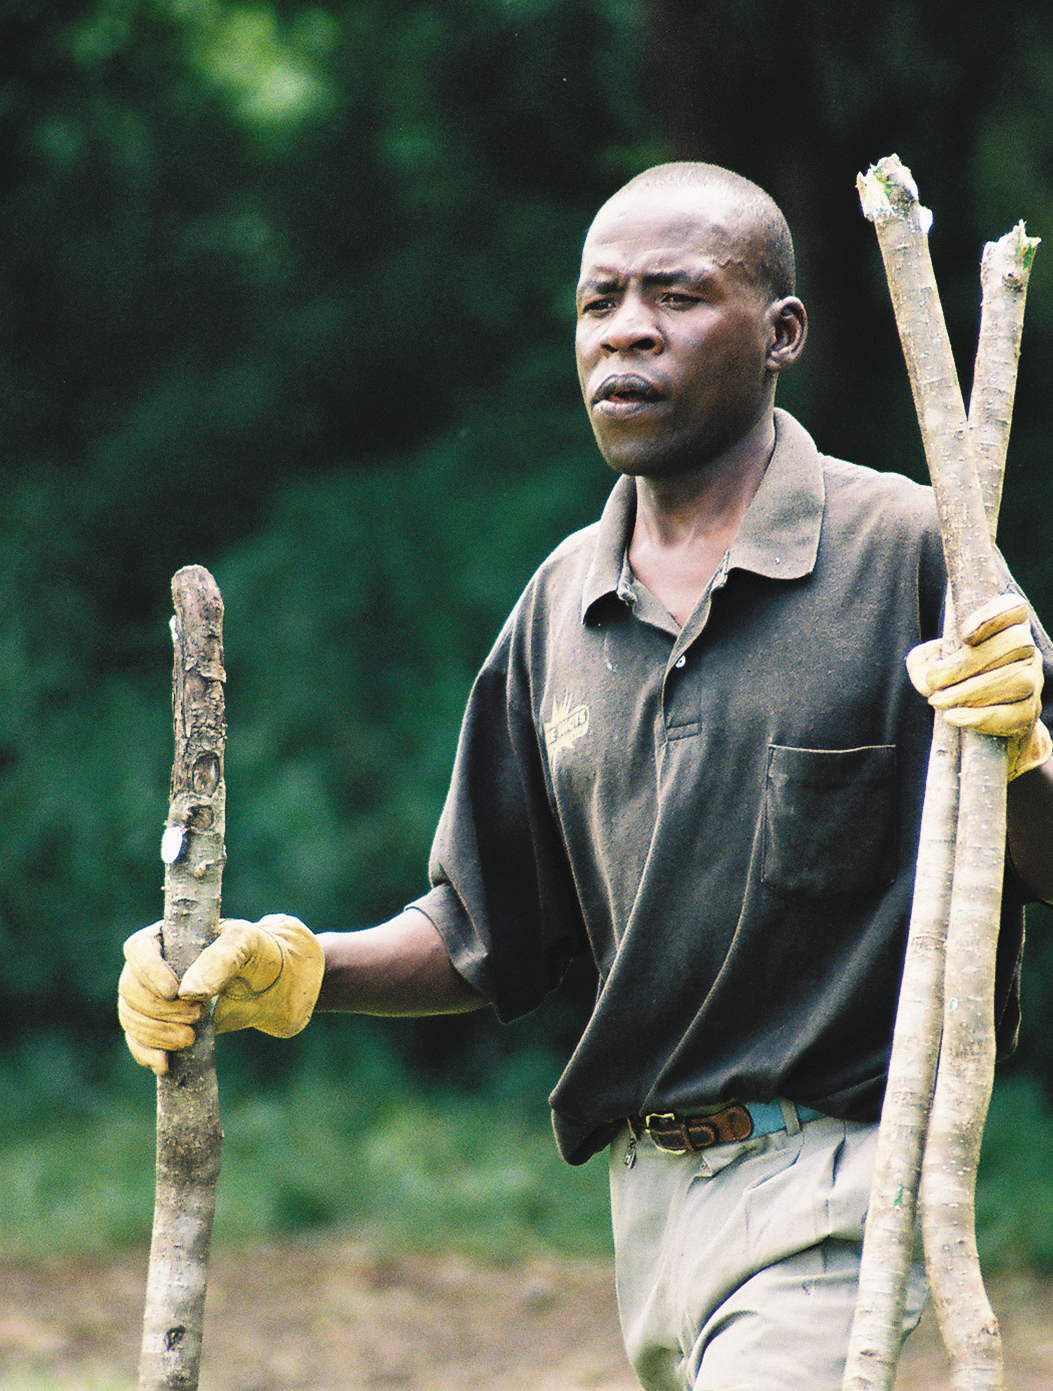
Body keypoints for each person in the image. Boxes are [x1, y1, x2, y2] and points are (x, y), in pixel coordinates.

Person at [119, 162, 1053, 1391]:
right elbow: (481, 932)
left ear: (783, 335)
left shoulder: (913, 554)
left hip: (836, 1185)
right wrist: (288, 966)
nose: (626, 329)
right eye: (598, 299)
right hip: (644, 1208)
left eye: (676, 295)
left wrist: (1027, 753)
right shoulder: (563, 604)